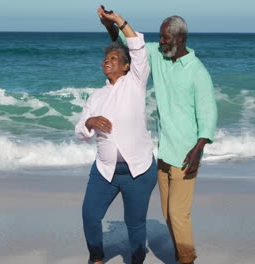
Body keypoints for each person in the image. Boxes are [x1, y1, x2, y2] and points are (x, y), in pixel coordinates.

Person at [99, 9, 218, 264]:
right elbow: (129, 44)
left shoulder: (197, 72)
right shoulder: (159, 57)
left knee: (178, 213)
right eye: (161, 38)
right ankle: (180, 255)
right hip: (165, 152)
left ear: (181, 39)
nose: (161, 42)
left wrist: (198, 150)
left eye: (165, 38)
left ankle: (187, 258)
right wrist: (112, 24)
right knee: (167, 212)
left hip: (187, 154)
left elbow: (209, 115)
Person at [75, 8, 157, 264]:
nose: (106, 61)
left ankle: (136, 259)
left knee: (134, 225)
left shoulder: (135, 82)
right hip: (105, 170)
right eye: (105, 59)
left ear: (125, 66)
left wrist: (118, 22)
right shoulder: (96, 96)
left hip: (139, 171)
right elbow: (80, 131)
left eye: (113, 58)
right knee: (90, 215)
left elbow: (137, 47)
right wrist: (89, 121)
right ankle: (97, 258)